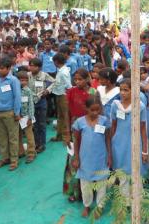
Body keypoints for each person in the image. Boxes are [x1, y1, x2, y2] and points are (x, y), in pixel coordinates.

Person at [71, 96, 111, 218]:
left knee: (101, 183)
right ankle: (87, 205)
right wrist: (76, 158)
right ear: (86, 108)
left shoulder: (104, 121)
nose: (95, 113)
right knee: (85, 183)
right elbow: (76, 141)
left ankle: (99, 206)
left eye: (97, 110)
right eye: (92, 110)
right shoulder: (80, 122)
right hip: (85, 158)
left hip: (101, 157)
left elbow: (108, 139)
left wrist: (109, 155)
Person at [110, 78, 149, 198]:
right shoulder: (115, 105)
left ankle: (137, 199)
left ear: (133, 91)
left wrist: (145, 150)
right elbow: (113, 126)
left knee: (136, 172)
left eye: (126, 90)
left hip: (135, 143)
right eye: (121, 90)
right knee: (122, 174)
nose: (122, 93)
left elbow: (143, 128)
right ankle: (125, 200)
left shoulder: (140, 106)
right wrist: (110, 146)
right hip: (119, 144)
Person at [64, 69, 98, 202]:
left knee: (89, 158)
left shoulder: (93, 93)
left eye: (80, 79)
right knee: (74, 159)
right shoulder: (71, 92)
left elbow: (96, 113)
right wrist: (67, 132)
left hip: (89, 129)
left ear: (87, 79)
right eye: (75, 79)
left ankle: (91, 191)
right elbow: (67, 113)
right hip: (74, 129)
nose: (77, 82)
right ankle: (75, 192)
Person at [0, 57, 21, 171]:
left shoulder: (13, 80)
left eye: (3, 68)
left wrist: (17, 112)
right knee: (1, 137)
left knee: (12, 137)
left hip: (10, 112)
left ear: (9, 68)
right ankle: (4, 158)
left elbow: (17, 97)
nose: (0, 71)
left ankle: (14, 159)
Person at [27, 58, 55, 153]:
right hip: (31, 102)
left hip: (41, 101)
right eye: (30, 65)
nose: (32, 67)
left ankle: (42, 144)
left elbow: (55, 82)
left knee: (41, 123)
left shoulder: (44, 75)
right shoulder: (28, 75)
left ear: (39, 67)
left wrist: (48, 90)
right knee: (34, 124)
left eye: (34, 66)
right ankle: (36, 143)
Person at [50, 53, 72, 142]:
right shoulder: (61, 70)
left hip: (63, 96)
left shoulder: (63, 72)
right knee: (60, 116)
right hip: (59, 94)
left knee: (65, 116)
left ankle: (66, 137)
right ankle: (59, 135)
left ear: (56, 61)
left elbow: (68, 86)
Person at [16, 71, 36, 164]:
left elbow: (31, 105)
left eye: (25, 80)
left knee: (29, 136)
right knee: (18, 135)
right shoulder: (15, 90)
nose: (23, 82)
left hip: (26, 117)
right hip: (17, 117)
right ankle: (21, 151)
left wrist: (30, 117)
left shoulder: (28, 91)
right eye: (21, 80)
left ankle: (31, 153)